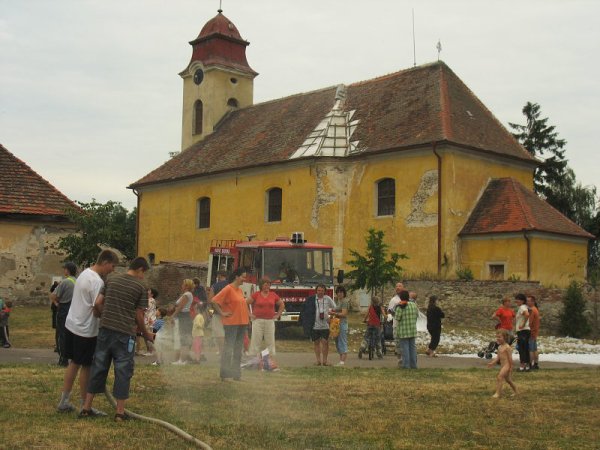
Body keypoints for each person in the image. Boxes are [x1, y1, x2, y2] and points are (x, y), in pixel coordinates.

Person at [80, 257, 152, 421]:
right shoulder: (140, 286)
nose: (143, 277)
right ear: (140, 270)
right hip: (124, 335)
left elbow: (98, 303)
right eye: (144, 273)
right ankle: (120, 413)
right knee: (123, 372)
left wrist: (103, 315)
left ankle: (86, 407)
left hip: (105, 331)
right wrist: (147, 334)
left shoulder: (111, 279)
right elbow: (139, 315)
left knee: (98, 368)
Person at [56, 249, 118, 414]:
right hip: (86, 330)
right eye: (112, 266)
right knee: (86, 366)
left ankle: (64, 400)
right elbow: (97, 306)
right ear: (105, 262)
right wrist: (105, 317)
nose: (112, 270)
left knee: (73, 363)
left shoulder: (84, 273)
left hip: (72, 324)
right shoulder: (97, 281)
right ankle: (85, 405)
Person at [211, 268, 250, 381]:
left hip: (242, 323)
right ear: (236, 277)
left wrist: (248, 318)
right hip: (231, 324)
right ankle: (224, 374)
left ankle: (236, 375)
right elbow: (214, 301)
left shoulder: (239, 290)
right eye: (243, 276)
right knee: (229, 349)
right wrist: (222, 312)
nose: (244, 279)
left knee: (238, 349)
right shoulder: (228, 288)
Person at [300, 284, 336, 366]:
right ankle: (318, 361)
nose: (320, 292)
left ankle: (325, 361)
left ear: (325, 291)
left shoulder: (328, 299)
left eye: (322, 291)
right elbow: (305, 310)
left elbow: (335, 308)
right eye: (319, 290)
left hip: (325, 325)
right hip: (315, 325)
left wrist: (332, 316)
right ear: (316, 291)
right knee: (316, 343)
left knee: (325, 342)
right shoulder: (311, 299)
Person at [247, 277, 284, 357]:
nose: (267, 286)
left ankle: (270, 359)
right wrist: (249, 314)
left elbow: (281, 304)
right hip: (257, 321)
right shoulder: (256, 294)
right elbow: (245, 303)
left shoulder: (273, 295)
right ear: (261, 286)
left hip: (270, 321)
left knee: (270, 341)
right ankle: (253, 358)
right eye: (265, 285)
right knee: (256, 340)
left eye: (269, 285)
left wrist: (278, 314)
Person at [51, 261, 78, 366]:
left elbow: (54, 295)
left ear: (67, 270)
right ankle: (73, 357)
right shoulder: (77, 281)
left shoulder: (65, 282)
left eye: (65, 268)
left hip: (64, 309)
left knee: (61, 335)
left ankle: (63, 359)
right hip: (74, 310)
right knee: (72, 334)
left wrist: (56, 302)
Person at [487, 329, 517, 398]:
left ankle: (497, 393)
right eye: (497, 337)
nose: (498, 339)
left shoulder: (507, 348)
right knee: (508, 380)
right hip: (503, 365)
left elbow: (510, 359)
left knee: (499, 377)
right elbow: (498, 357)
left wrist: (511, 367)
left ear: (505, 338)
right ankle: (516, 391)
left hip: (507, 365)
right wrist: (492, 363)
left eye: (499, 337)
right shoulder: (499, 347)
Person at [172, 279, 195, 365]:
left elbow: (180, 307)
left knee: (184, 338)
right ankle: (181, 359)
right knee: (183, 338)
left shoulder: (187, 294)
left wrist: (173, 316)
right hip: (184, 317)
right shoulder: (187, 294)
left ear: (186, 286)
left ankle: (182, 360)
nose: (181, 285)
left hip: (183, 317)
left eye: (183, 284)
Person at [395, 290, 419, 369]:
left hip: (403, 331)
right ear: (408, 297)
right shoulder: (413, 305)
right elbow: (417, 315)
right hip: (412, 330)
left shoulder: (400, 307)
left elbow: (397, 318)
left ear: (400, 297)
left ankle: (406, 365)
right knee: (412, 349)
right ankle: (414, 365)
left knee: (405, 349)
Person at [208, 270, 228, 354]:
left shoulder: (215, 286)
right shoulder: (230, 285)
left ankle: (222, 351)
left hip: (217, 313)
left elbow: (210, 301)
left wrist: (210, 313)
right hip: (230, 312)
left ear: (219, 276)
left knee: (220, 334)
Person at [331, 286, 349, 366]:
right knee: (337, 341)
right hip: (336, 323)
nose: (339, 294)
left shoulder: (345, 302)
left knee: (342, 341)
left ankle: (342, 361)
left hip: (342, 323)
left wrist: (334, 313)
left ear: (344, 293)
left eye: (341, 292)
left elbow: (344, 314)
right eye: (338, 292)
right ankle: (340, 360)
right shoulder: (338, 301)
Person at [138, 288, 158, 356]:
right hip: (148, 319)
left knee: (147, 335)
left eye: (149, 291)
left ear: (152, 294)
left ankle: (151, 351)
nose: (147, 291)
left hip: (149, 320)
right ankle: (151, 350)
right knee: (146, 334)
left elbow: (145, 308)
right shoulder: (151, 300)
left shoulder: (150, 300)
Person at [387, 282, 404, 362]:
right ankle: (399, 359)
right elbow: (389, 311)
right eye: (396, 286)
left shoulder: (406, 298)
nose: (398, 287)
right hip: (396, 324)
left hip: (405, 325)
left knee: (405, 342)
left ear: (403, 288)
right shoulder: (393, 300)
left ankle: (406, 358)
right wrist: (391, 315)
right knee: (398, 342)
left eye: (399, 286)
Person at [514, 293, 531, 372]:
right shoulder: (525, 307)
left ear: (522, 301)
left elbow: (527, 315)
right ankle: (527, 366)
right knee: (526, 348)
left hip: (522, 331)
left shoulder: (522, 307)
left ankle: (522, 366)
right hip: (526, 331)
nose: (516, 301)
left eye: (517, 299)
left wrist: (522, 324)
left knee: (522, 349)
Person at [527, 295, 541, 370]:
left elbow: (529, 322)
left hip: (531, 332)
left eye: (529, 301)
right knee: (535, 349)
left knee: (531, 350)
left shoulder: (532, 310)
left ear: (533, 301)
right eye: (527, 301)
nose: (527, 302)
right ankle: (536, 364)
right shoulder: (536, 309)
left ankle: (530, 365)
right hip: (535, 332)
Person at [50, 280, 60, 352]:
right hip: (57, 310)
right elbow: (53, 295)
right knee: (58, 329)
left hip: (57, 310)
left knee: (58, 329)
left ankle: (58, 345)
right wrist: (56, 303)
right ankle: (58, 345)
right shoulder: (56, 290)